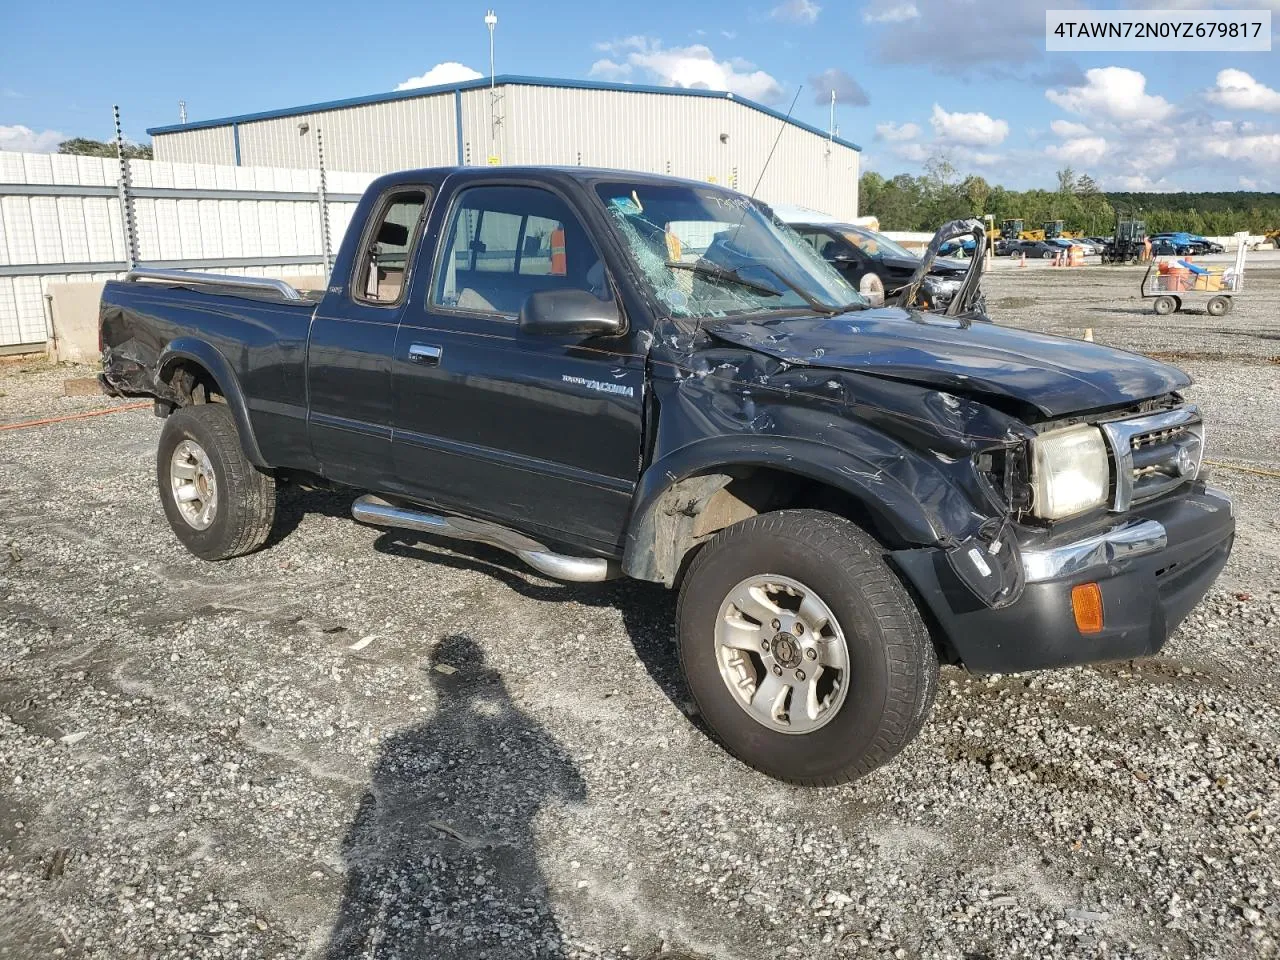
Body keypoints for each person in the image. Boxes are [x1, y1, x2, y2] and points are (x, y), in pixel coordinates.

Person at [326, 635, 586, 959]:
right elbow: (576, 793)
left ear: (434, 679)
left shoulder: (401, 744)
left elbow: (576, 793)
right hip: (510, 880)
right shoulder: (410, 744)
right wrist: (509, 709)